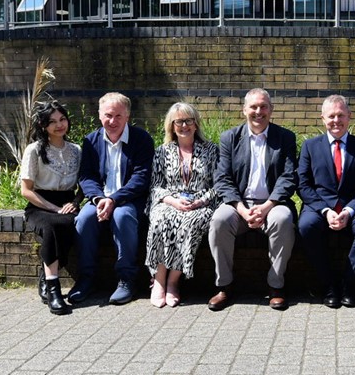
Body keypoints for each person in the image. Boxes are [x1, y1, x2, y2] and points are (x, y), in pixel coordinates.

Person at [208, 88, 297, 311]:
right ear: (244, 110)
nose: (259, 111)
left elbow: (288, 177)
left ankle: (276, 286)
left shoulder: (285, 137)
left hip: (272, 203)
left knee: (283, 220)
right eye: (253, 107)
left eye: (264, 106)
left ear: (271, 110)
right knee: (219, 220)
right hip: (239, 204)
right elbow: (223, 178)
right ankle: (224, 286)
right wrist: (242, 209)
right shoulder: (229, 138)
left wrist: (267, 207)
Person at [69, 92, 154, 305]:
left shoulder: (141, 139)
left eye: (118, 116)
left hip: (129, 199)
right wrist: (98, 199)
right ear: (99, 115)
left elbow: (141, 178)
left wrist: (114, 199)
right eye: (108, 115)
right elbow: (86, 176)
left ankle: (127, 279)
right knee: (84, 219)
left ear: (127, 116)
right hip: (99, 198)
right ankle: (86, 278)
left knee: (123, 217)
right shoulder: (91, 140)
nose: (112, 121)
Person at [298, 95, 355, 308]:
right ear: (323, 119)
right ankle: (329, 285)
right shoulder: (310, 146)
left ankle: (348, 283)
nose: (336, 120)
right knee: (306, 226)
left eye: (341, 115)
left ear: (349, 116)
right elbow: (303, 185)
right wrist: (326, 210)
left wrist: (350, 210)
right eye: (331, 116)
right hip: (319, 208)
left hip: (353, 207)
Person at [145, 103, 218, 308]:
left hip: (200, 203)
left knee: (189, 223)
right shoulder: (162, 151)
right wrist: (172, 201)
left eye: (188, 120)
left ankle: (173, 281)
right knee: (161, 220)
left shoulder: (211, 150)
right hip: (169, 200)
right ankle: (159, 280)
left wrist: (200, 201)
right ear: (172, 126)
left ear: (196, 124)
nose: (184, 125)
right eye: (179, 121)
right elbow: (156, 186)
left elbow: (218, 185)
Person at [20, 100, 83, 315]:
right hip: (40, 205)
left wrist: (74, 203)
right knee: (53, 226)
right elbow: (26, 190)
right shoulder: (35, 150)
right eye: (52, 121)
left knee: (72, 225)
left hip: (67, 203)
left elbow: (85, 185)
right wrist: (54, 209)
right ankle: (54, 290)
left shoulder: (76, 150)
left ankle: (45, 278)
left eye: (62, 119)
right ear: (43, 125)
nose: (59, 125)